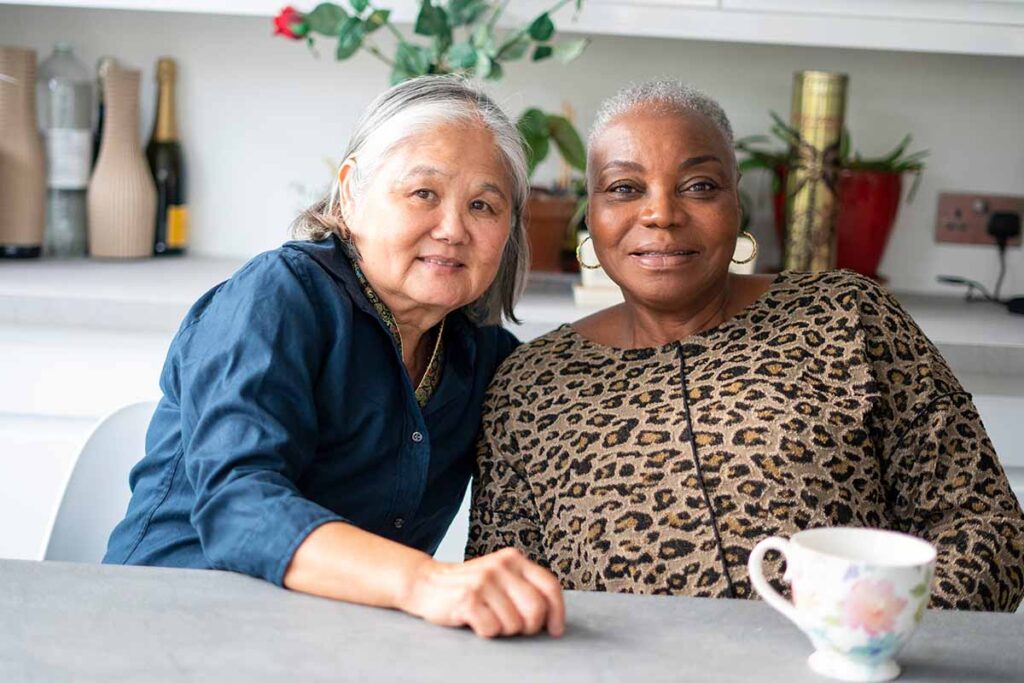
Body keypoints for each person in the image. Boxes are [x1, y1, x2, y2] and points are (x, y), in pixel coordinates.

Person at [466, 80, 1024, 611]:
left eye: (699, 186)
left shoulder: (846, 317)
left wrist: (864, 637)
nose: (660, 213)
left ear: (738, 205)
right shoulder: (532, 385)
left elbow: (986, 528)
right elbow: (502, 589)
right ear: (592, 214)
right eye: (625, 188)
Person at [105, 76, 564, 638]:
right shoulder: (278, 297)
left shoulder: (484, 356)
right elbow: (239, 505)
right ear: (350, 192)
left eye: (483, 205)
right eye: (424, 193)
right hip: (170, 629)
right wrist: (426, 582)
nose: (452, 229)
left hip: (339, 647)